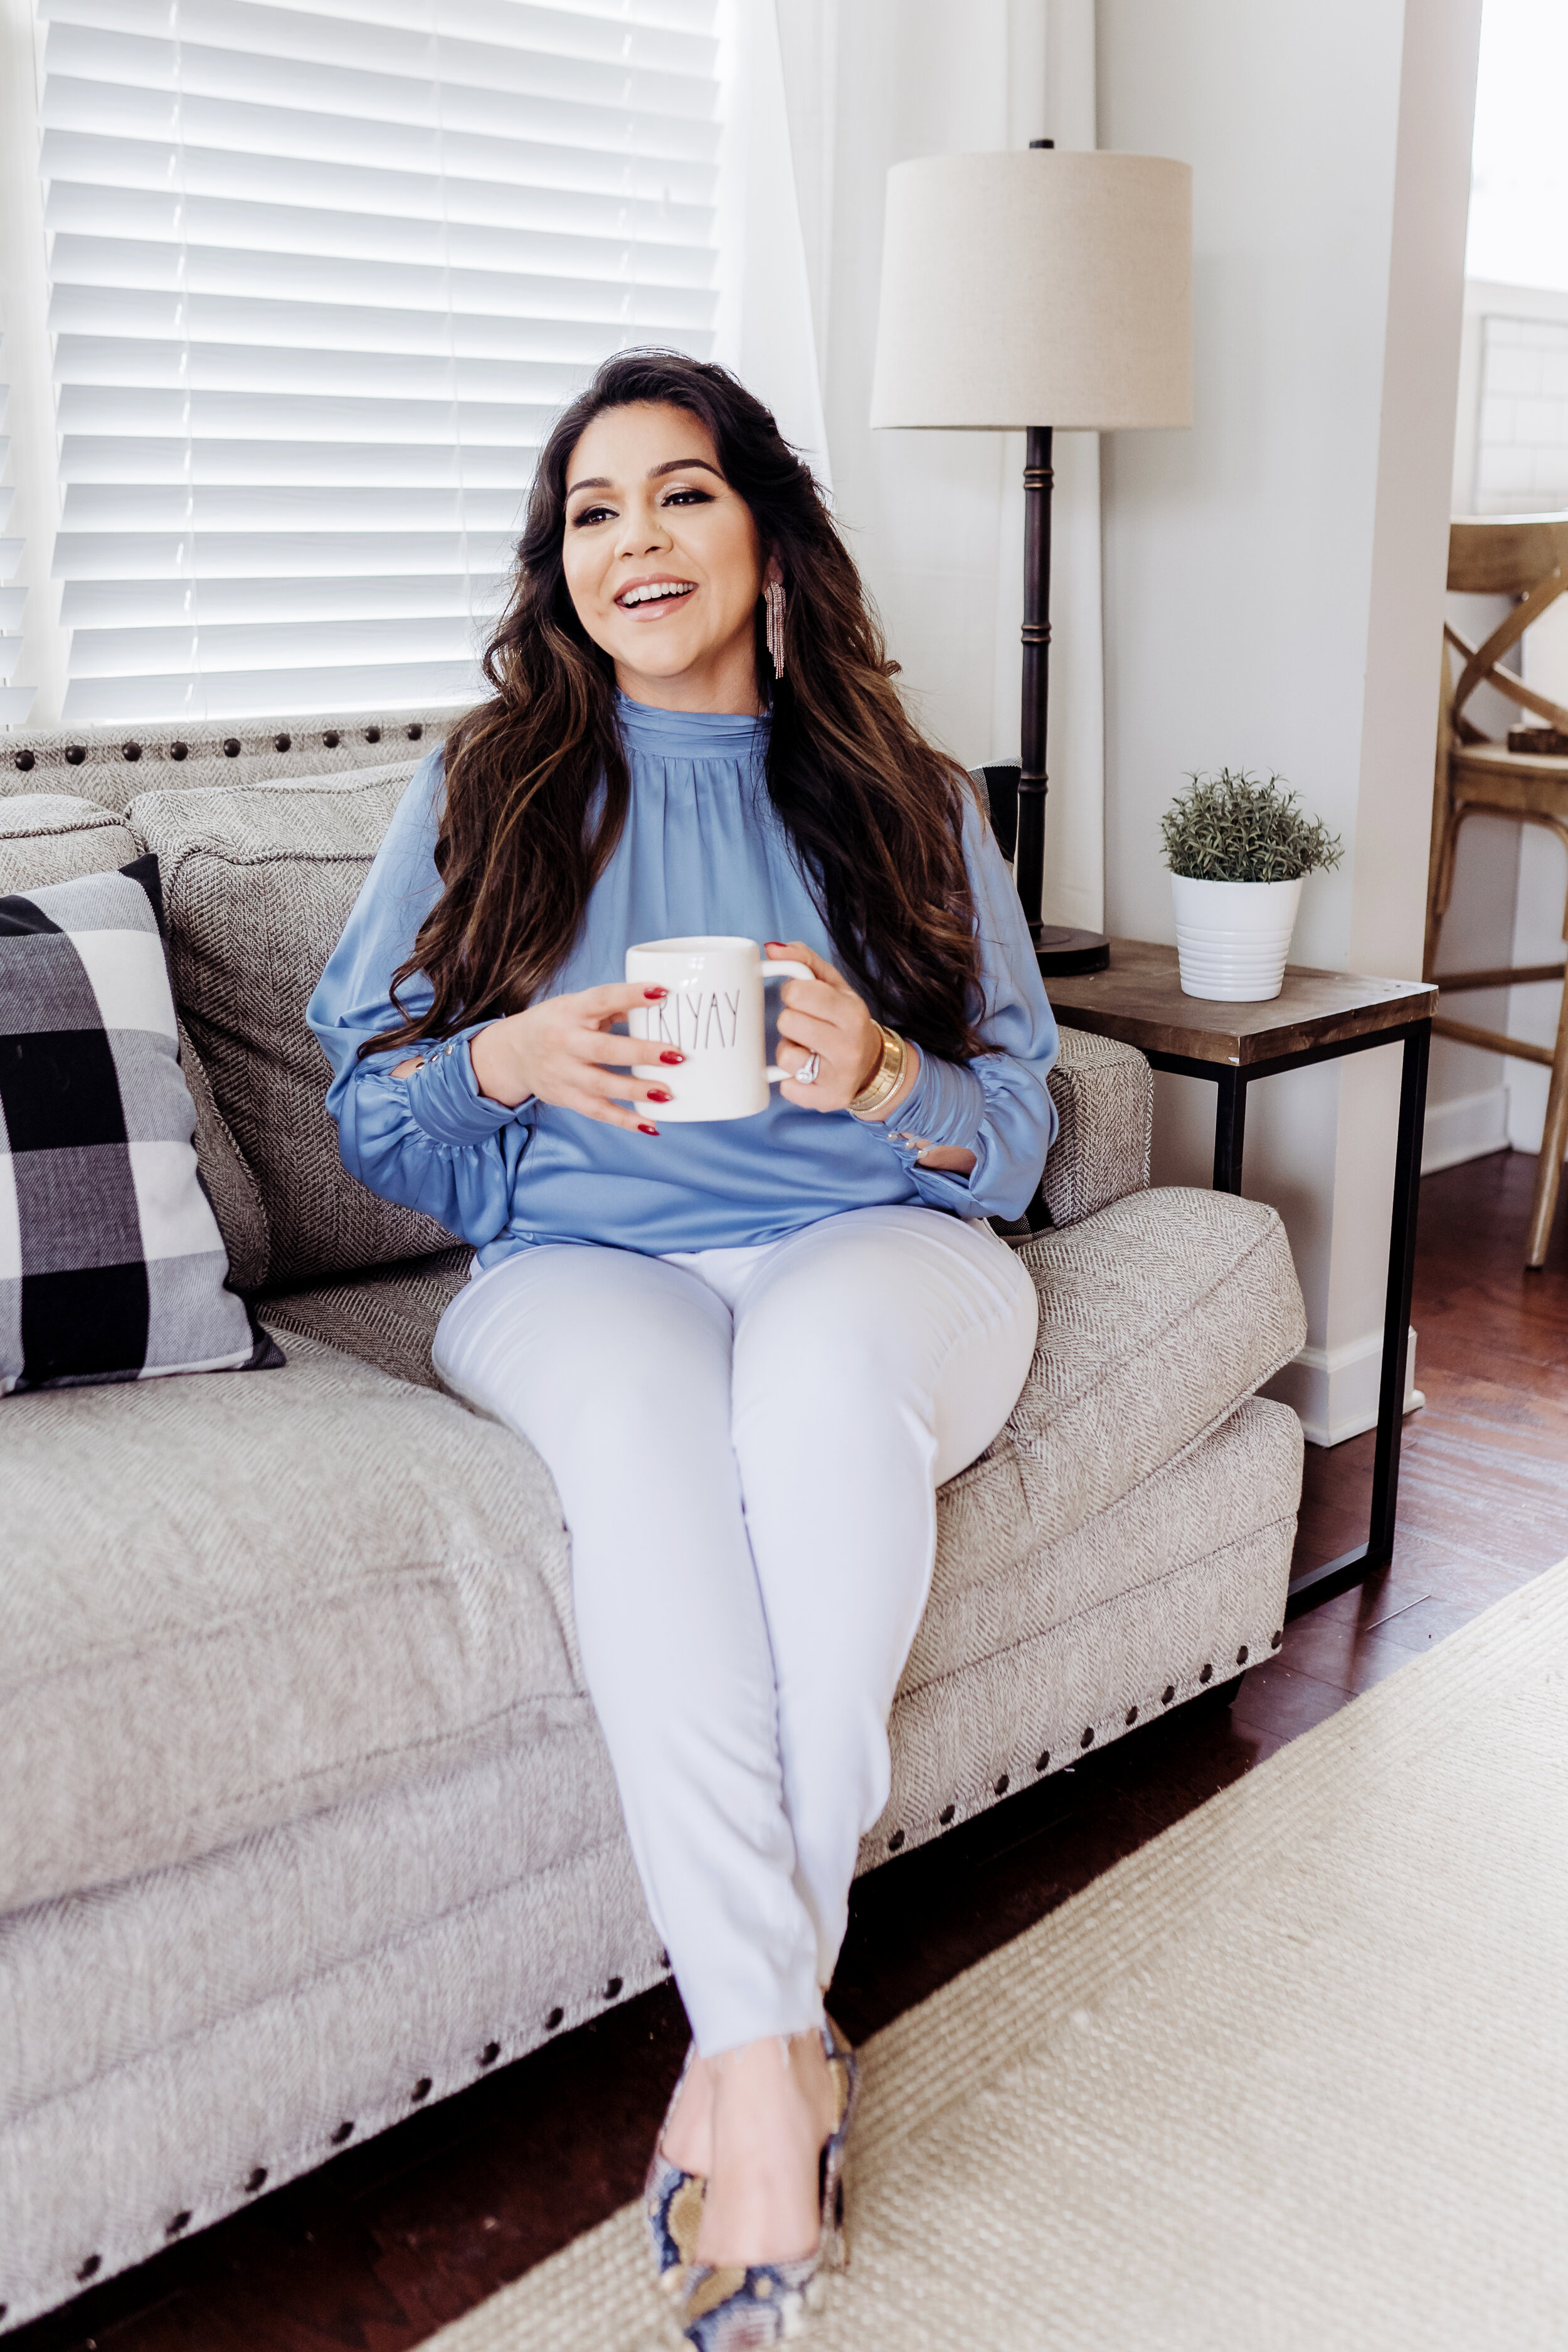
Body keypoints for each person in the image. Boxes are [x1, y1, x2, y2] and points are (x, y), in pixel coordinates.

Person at [308, 350, 1057, 2347]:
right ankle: (772, 2062)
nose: (634, 540)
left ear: (763, 531)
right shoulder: (492, 787)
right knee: (647, 1465)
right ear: (557, 570)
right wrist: (503, 1052)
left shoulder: (904, 791)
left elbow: (1020, 1130)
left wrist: (894, 1068)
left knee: (816, 1399)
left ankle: (738, 2070)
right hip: (580, 1263)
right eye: (591, 512)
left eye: (681, 495)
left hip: (873, 1240)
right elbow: (372, 1112)